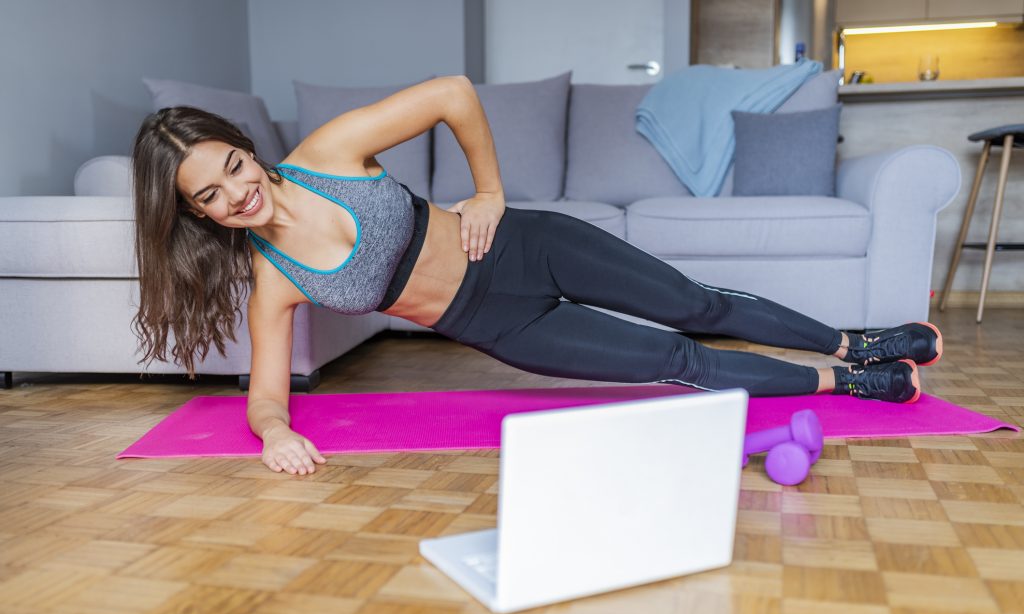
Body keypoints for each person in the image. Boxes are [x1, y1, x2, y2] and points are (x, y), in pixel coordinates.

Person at [131, 75, 942, 477]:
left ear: (244, 144)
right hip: (504, 328)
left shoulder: (327, 154)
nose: (238, 191)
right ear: (198, 214)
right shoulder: (274, 279)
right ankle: (841, 380)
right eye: (212, 194)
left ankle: (853, 338)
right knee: (675, 363)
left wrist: (488, 191)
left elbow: (452, 92)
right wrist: (274, 433)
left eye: (233, 164)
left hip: (527, 245)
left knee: (697, 305)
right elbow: (266, 396)